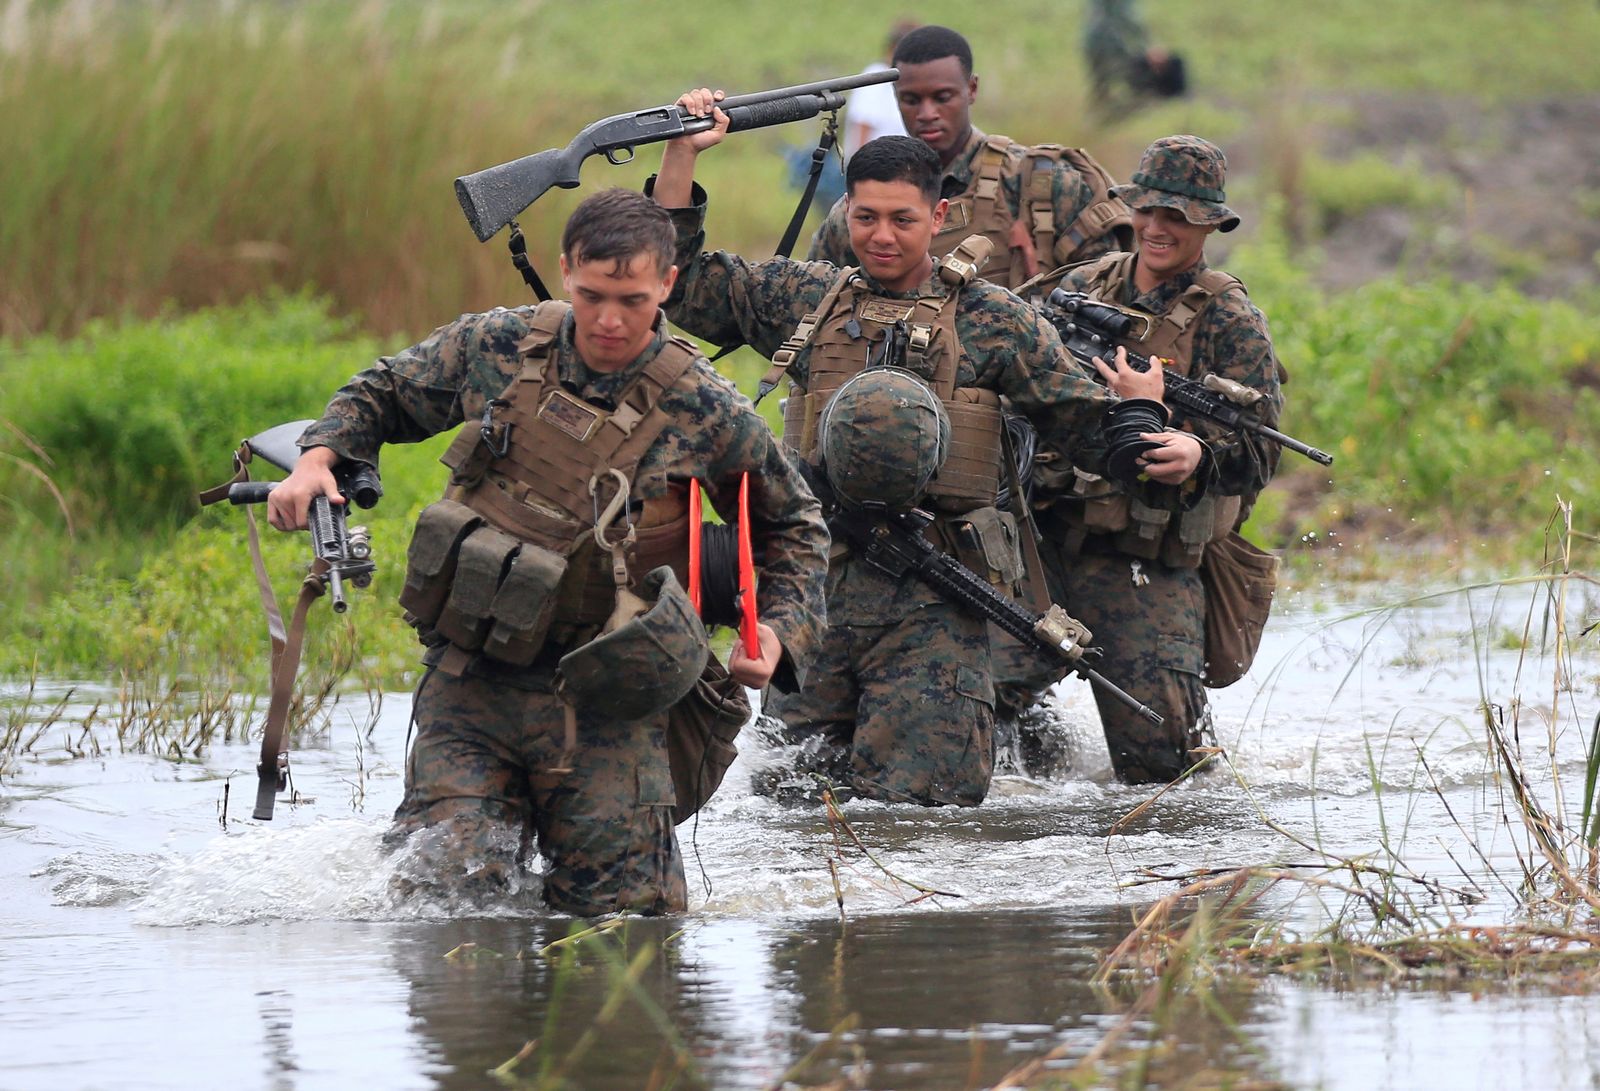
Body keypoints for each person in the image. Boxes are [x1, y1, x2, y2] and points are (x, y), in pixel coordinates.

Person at [264, 188, 829, 915]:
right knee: (442, 906)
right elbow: (385, 391)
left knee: (628, 933)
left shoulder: (707, 407)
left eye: (632, 297)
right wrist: (319, 457)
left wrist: (777, 633)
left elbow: (794, 527)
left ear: (668, 283)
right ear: (565, 270)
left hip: (611, 699)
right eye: (592, 295)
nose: (610, 319)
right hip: (471, 685)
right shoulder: (498, 345)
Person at [651, 88, 1208, 808]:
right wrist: (682, 151)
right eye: (866, 218)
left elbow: (1083, 424)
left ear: (938, 217)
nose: (882, 236)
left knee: (922, 825)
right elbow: (678, 277)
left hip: (935, 610)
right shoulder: (802, 299)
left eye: (903, 220)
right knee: (790, 814)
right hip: (809, 605)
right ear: (844, 212)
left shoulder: (993, 320)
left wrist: (1156, 436)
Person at [998, 135, 1284, 785]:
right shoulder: (1077, 287)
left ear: (1209, 223)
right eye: (1148, 211)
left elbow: (1263, 450)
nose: (1156, 228)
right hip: (1044, 546)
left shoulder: (1228, 316)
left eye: (1177, 216)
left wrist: (1200, 454)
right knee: (983, 707)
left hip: (1145, 563)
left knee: (1172, 775)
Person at [806, 25, 1132, 290]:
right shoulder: (864, 206)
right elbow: (817, 301)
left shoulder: (1039, 182)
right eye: (911, 100)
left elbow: (1108, 289)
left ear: (971, 89)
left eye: (942, 97)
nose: (927, 113)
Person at [1083, 0, 1187, 120]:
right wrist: (1149, 47)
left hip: (1099, 41)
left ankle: (1098, 117)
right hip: (1108, 44)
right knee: (1108, 85)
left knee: (1101, 85)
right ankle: (1102, 117)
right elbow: (1126, 18)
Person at [841, 19, 916, 161]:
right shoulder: (875, 78)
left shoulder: (913, 82)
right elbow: (863, 127)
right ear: (891, 50)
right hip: (876, 168)